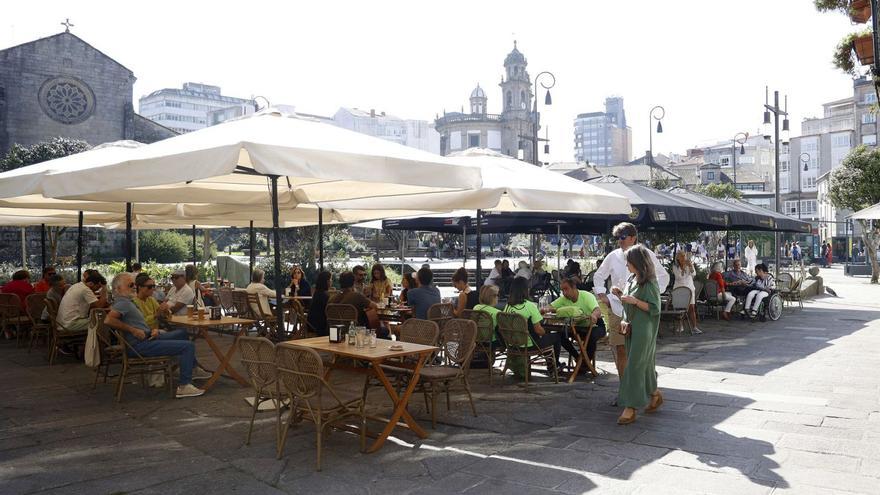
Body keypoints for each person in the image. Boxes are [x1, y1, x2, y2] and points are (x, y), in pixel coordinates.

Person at [593, 222, 669, 394]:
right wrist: (602, 295)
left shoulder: (645, 254)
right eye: (617, 238)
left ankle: (647, 388)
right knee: (620, 349)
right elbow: (599, 276)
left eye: (622, 237)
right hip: (618, 308)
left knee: (640, 352)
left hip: (639, 311)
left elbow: (663, 277)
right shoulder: (613, 256)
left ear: (633, 237)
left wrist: (651, 294)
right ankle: (625, 389)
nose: (619, 241)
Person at [104, 272, 207, 398]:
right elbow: (108, 320)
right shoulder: (123, 303)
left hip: (148, 337)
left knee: (183, 333)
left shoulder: (127, 302)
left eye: (134, 285)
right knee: (188, 346)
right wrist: (133, 330)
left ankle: (191, 368)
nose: (133, 287)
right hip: (140, 345)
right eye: (130, 285)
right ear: (118, 289)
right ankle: (184, 385)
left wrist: (151, 329)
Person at [615, 244, 662, 425]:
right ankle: (655, 394)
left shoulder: (649, 283)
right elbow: (630, 301)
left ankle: (631, 407)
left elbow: (654, 308)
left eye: (629, 262)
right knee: (645, 364)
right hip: (631, 327)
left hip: (644, 329)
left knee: (634, 365)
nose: (627, 265)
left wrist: (634, 301)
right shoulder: (631, 280)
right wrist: (620, 294)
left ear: (637, 262)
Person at [543, 277, 607, 369]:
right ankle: (577, 358)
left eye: (566, 289)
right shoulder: (563, 299)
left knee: (591, 336)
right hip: (577, 326)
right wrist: (546, 309)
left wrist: (593, 315)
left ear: (574, 288)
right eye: (562, 290)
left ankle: (585, 364)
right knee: (559, 335)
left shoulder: (586, 296)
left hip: (595, 326)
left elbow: (597, 310)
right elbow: (550, 306)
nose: (564, 293)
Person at [503, 277, 563, 371]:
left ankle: (552, 366)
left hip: (513, 344)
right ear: (526, 290)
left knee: (545, 338)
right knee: (556, 337)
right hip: (528, 345)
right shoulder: (530, 306)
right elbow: (539, 330)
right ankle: (553, 367)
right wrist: (545, 333)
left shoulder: (508, 306)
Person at [671, 251, 701, 334]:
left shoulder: (689, 264)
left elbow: (694, 274)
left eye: (684, 256)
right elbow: (679, 277)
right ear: (677, 258)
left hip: (689, 288)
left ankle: (694, 327)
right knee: (680, 308)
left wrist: (691, 266)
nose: (684, 257)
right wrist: (684, 267)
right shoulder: (675, 266)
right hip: (679, 289)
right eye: (681, 256)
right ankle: (680, 326)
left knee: (691, 308)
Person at [307, 271, 332, 336]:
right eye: (330, 279)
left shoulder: (317, 293)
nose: (331, 281)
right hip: (319, 327)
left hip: (311, 324)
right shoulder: (324, 295)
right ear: (326, 281)